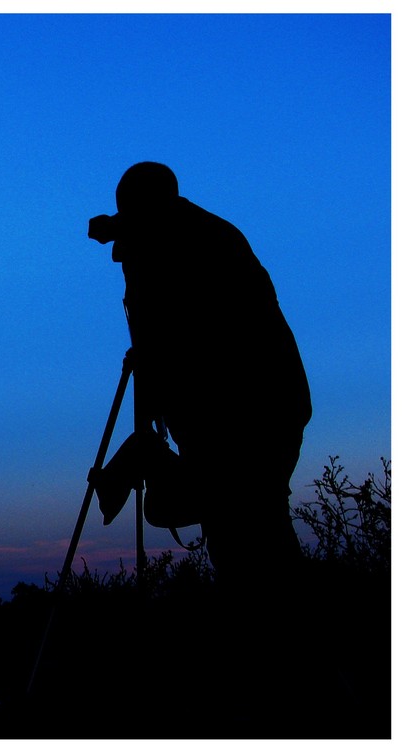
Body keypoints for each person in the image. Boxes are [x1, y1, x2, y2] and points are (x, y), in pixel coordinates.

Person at [88, 162, 312, 592]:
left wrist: (154, 369)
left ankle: (290, 641)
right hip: (253, 410)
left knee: (250, 533)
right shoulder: (193, 232)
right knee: (249, 530)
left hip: (246, 413)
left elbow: (184, 330)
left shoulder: (187, 241)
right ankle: (143, 460)